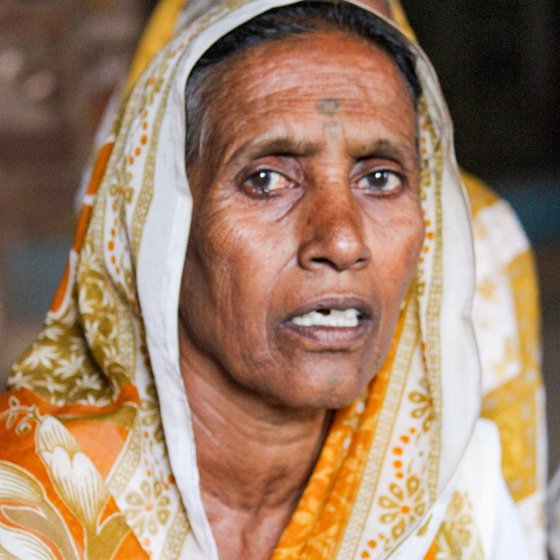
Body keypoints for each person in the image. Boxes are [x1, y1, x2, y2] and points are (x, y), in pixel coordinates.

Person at [0, 1, 544, 559]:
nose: (341, 241)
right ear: (158, 227)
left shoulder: (454, 494)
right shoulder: (29, 511)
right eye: (266, 179)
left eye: (380, 178)